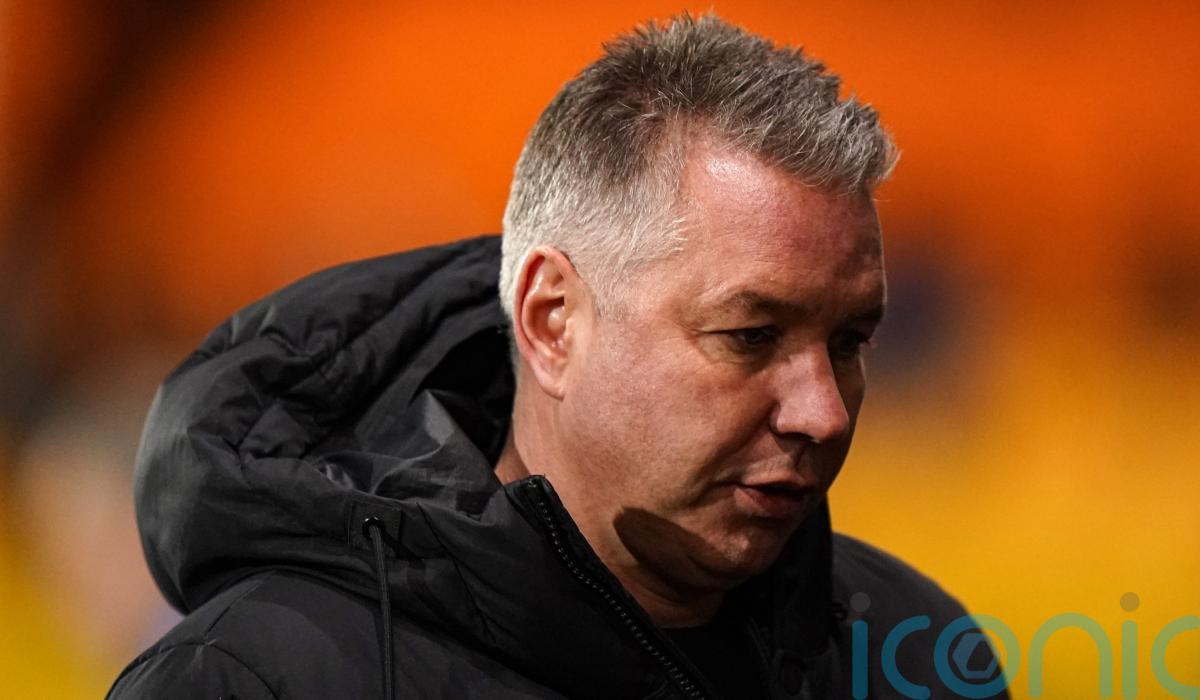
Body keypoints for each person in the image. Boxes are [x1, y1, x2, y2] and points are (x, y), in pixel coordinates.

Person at [108, 14, 1005, 700]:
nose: (825, 413)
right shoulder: (255, 680)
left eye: (849, 343)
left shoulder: (914, 651)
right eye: (750, 337)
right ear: (552, 321)